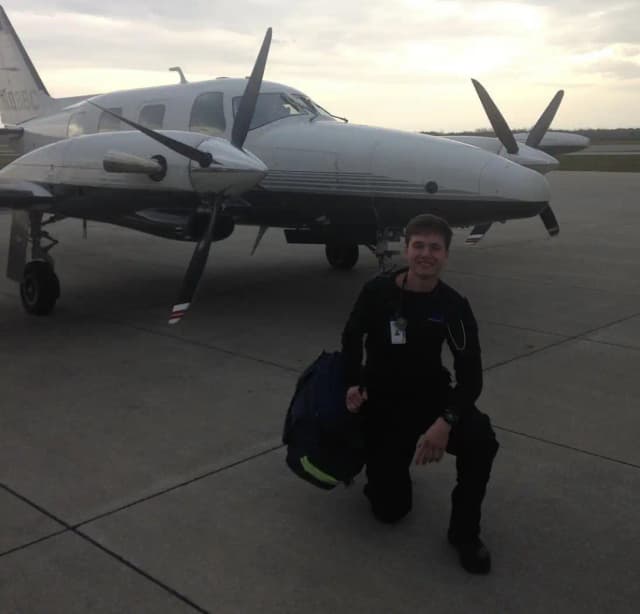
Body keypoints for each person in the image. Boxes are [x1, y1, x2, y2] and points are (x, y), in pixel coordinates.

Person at [341, 213, 499, 574]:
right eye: (419, 246)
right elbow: (351, 337)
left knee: (481, 441)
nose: (426, 254)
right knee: (390, 511)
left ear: (446, 255)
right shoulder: (377, 292)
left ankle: (465, 534)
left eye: (435, 248)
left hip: (431, 397)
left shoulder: (453, 307)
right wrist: (353, 382)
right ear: (407, 249)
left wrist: (446, 421)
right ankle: (378, 462)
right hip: (382, 400)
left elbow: (470, 378)